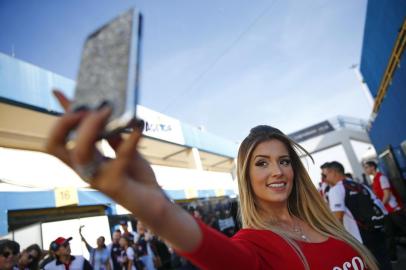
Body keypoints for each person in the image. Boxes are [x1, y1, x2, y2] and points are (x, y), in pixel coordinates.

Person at [46, 92, 379, 269]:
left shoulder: (324, 220)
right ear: (246, 178)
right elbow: (201, 243)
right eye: (262, 163)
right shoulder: (253, 246)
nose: (277, 171)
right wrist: (155, 205)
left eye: (284, 161)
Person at [321, 161, 392, 269]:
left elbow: (338, 217)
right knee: (385, 263)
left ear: (333, 172)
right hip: (377, 230)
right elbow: (380, 207)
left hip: (360, 238)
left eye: (326, 175)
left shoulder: (336, 190)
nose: (325, 178)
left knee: (372, 266)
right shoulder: (361, 186)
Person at [364, 160, 406, 263]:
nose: (366, 170)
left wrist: (380, 207)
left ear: (372, 167)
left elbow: (387, 193)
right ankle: (393, 257)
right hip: (387, 212)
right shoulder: (375, 179)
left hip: (394, 210)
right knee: (389, 234)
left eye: (367, 167)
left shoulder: (381, 177)